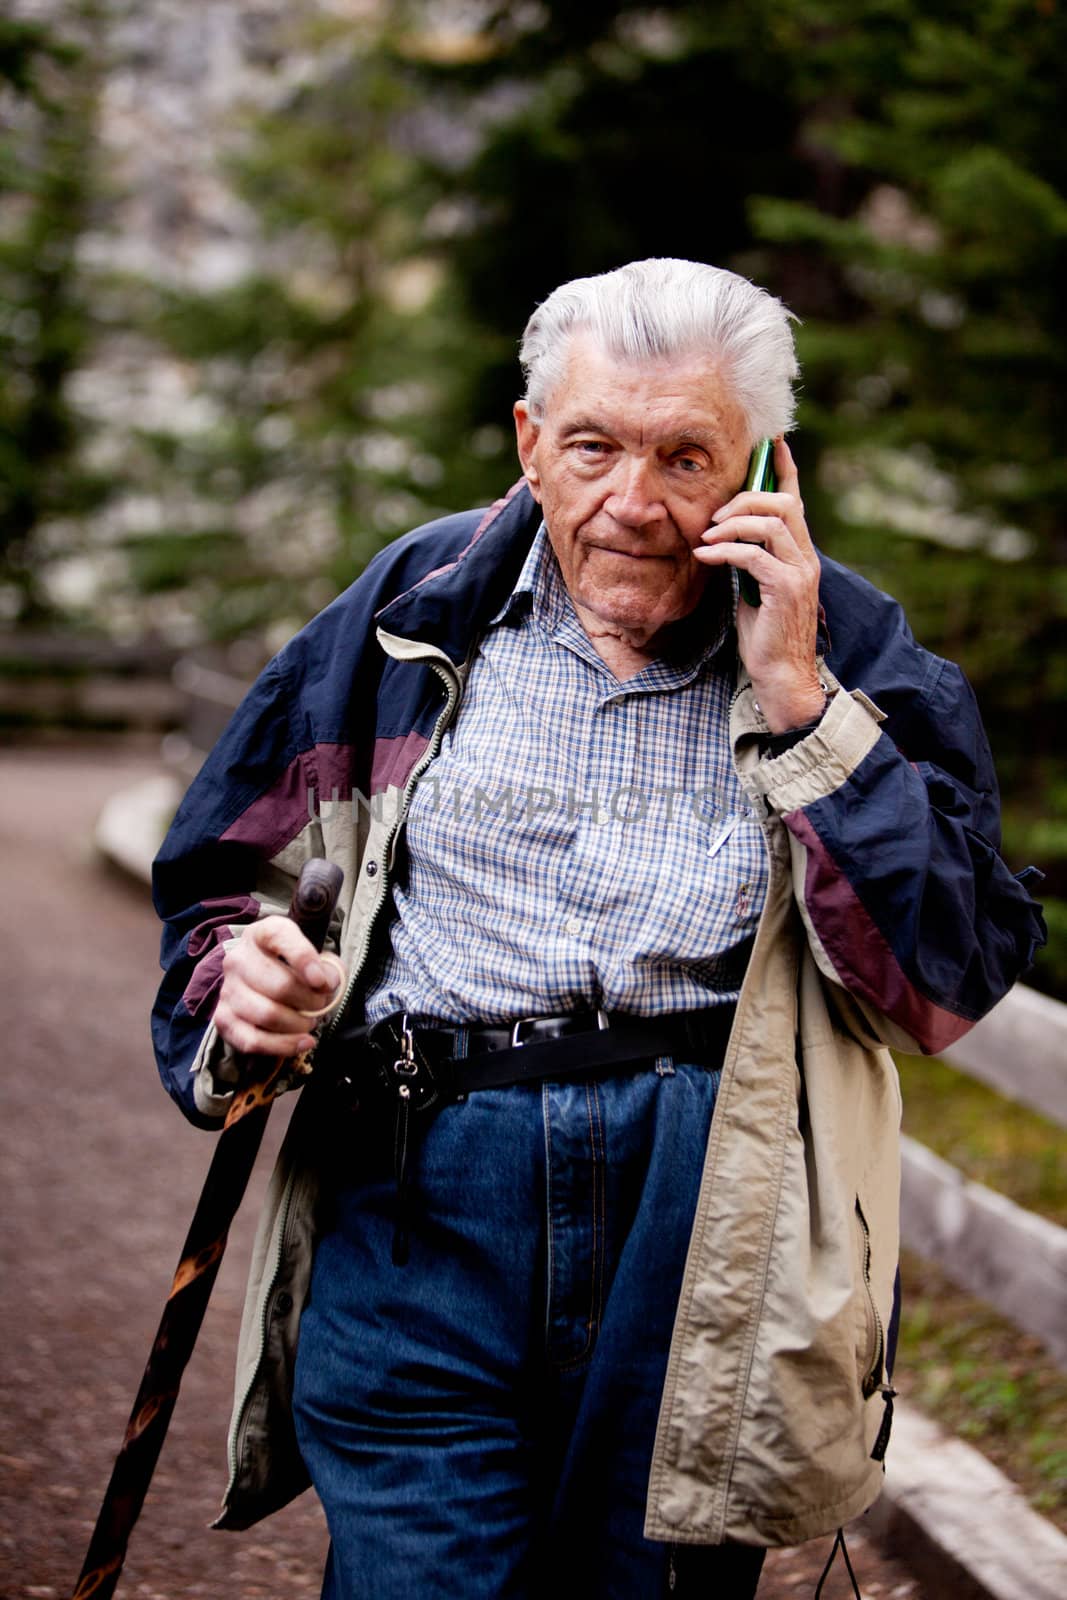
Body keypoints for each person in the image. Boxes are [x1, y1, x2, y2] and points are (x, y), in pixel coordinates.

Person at [152, 259, 1045, 1599]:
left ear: (760, 463)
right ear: (528, 441)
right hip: (417, 1193)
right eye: (592, 447)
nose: (633, 506)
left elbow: (951, 976)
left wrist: (804, 705)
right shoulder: (411, 602)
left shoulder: (850, 644)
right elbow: (218, 865)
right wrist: (242, 983)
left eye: (687, 457)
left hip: (704, 1231)